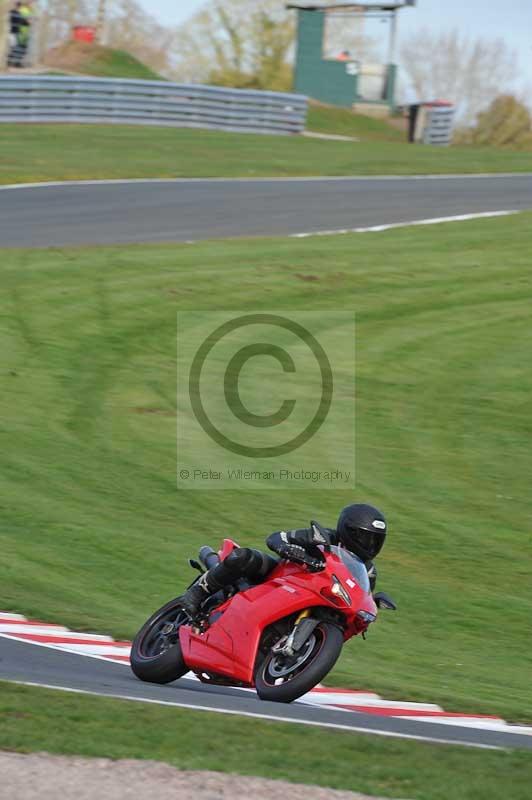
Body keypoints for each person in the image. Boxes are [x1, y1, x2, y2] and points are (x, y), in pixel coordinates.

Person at [180, 503, 387, 620]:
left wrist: (372, 604)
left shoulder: (368, 572)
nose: (370, 545)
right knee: (244, 557)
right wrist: (288, 549)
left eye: (375, 540)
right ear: (348, 531)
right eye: (365, 537)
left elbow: (361, 597)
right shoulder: (322, 537)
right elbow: (276, 537)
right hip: (279, 577)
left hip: (318, 599)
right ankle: (197, 593)